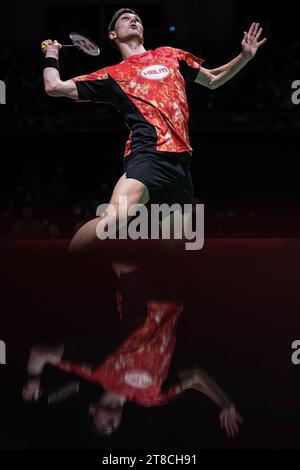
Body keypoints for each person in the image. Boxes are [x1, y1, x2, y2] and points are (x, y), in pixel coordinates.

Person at [41, 8, 266, 250]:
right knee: (115, 218)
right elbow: (53, 86)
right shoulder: (113, 75)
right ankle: (65, 272)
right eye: (125, 19)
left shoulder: (170, 55)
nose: (133, 19)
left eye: (136, 17)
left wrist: (244, 57)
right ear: (113, 35)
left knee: (175, 247)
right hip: (148, 154)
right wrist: (51, 54)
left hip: (181, 162)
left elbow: (212, 79)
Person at [22, 272, 243, 439]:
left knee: (132, 232)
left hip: (137, 290)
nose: (110, 426)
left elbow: (40, 353)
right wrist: (223, 403)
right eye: (114, 427)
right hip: (175, 295)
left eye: (102, 426)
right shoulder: (151, 398)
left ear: (92, 410)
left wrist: (32, 383)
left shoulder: (94, 370)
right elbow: (195, 377)